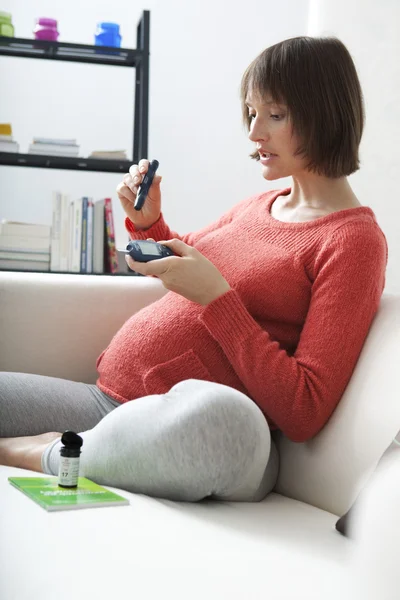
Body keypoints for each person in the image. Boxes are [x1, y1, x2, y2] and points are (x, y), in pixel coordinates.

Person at [0, 36, 388, 502]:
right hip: (108, 404)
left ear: (325, 114)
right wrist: (149, 224)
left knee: (226, 422)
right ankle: (80, 451)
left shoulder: (354, 242)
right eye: (251, 113)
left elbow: (305, 409)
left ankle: (46, 455)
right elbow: (188, 263)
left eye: (275, 115)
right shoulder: (259, 206)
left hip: (200, 428)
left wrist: (218, 301)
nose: (254, 133)